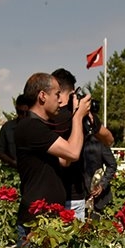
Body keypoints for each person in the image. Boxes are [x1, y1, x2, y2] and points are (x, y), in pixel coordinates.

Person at [14, 72, 91, 239]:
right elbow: (73, 152)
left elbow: (64, 160)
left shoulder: (38, 126)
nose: (60, 100)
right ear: (42, 96)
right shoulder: (31, 126)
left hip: (47, 218)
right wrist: (78, 117)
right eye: (57, 94)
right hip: (37, 220)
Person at [50, 68, 113, 219]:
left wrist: (91, 123)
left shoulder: (48, 117)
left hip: (60, 194)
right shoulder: (74, 117)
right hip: (70, 195)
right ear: (73, 93)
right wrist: (82, 118)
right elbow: (109, 139)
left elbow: (108, 139)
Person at [83, 136, 116, 215]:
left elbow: (112, 165)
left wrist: (101, 184)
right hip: (77, 197)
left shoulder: (99, 142)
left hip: (98, 200)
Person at [0, 95, 29, 168]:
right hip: (13, 172)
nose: (24, 116)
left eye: (27, 113)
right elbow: (0, 152)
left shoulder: (37, 127)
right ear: (16, 109)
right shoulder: (7, 128)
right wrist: (12, 162)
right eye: (21, 112)